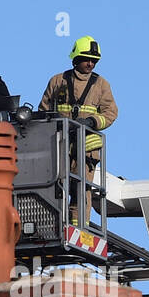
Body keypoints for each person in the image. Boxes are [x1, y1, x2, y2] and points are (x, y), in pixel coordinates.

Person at [38, 36, 117, 221]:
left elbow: (111, 113)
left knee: (81, 189)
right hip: (58, 144)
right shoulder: (57, 81)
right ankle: (54, 221)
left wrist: (91, 122)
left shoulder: (101, 85)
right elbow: (43, 112)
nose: (90, 64)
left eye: (94, 60)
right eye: (86, 59)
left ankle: (78, 226)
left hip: (86, 147)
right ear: (76, 58)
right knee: (55, 184)